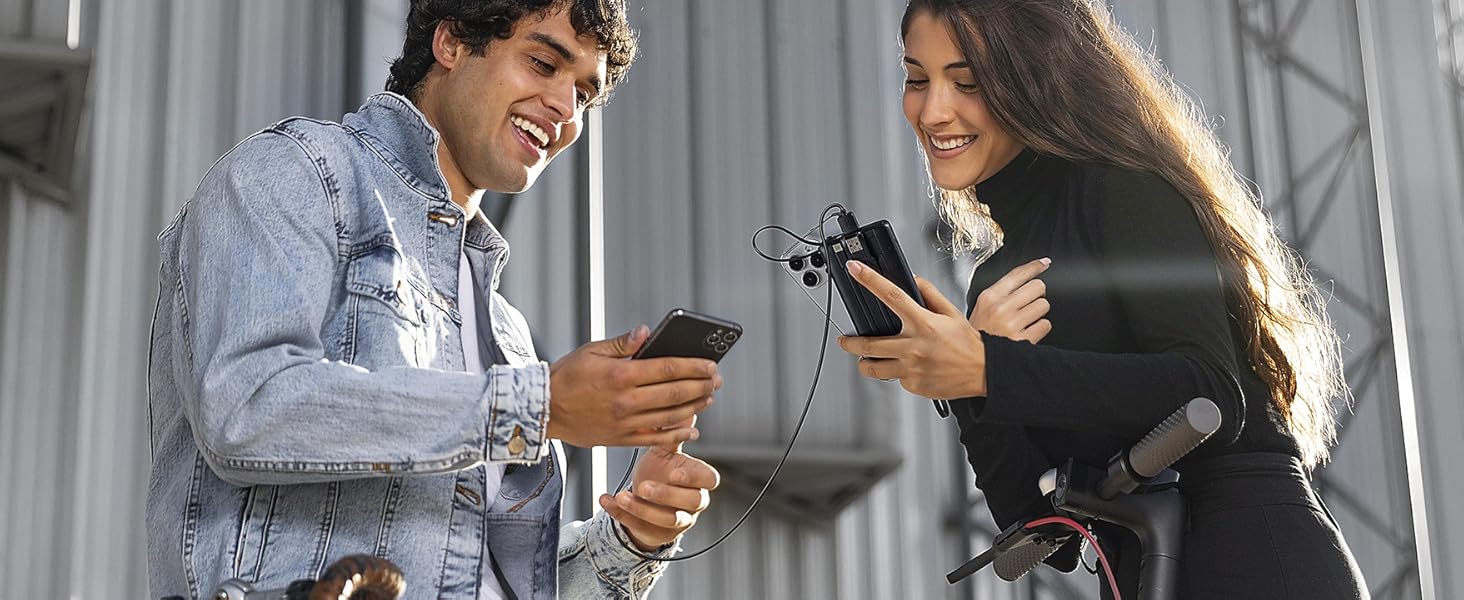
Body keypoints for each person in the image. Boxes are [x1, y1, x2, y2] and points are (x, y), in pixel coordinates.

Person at [145, 1, 723, 598]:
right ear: (451, 43)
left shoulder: (505, 330)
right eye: (543, 62)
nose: (565, 109)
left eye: (584, 93)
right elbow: (246, 407)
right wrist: (536, 408)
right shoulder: (298, 171)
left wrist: (629, 540)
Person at [835, 0, 1368, 597]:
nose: (933, 110)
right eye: (916, 79)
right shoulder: (996, 283)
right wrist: (970, 386)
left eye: (968, 81)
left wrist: (991, 367)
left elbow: (1211, 393)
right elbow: (1043, 537)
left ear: (1035, 75)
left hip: (1256, 558)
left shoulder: (1123, 188)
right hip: (1147, 574)